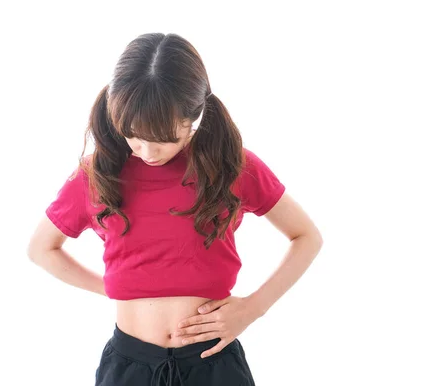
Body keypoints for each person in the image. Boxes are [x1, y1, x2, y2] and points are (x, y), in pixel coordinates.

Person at [27, 32, 323, 386]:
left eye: (164, 138)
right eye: (134, 136)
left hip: (213, 363)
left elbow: (306, 236)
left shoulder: (231, 166)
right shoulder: (98, 174)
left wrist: (252, 309)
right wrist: (111, 286)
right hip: (129, 367)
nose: (148, 152)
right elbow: (42, 248)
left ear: (194, 116)